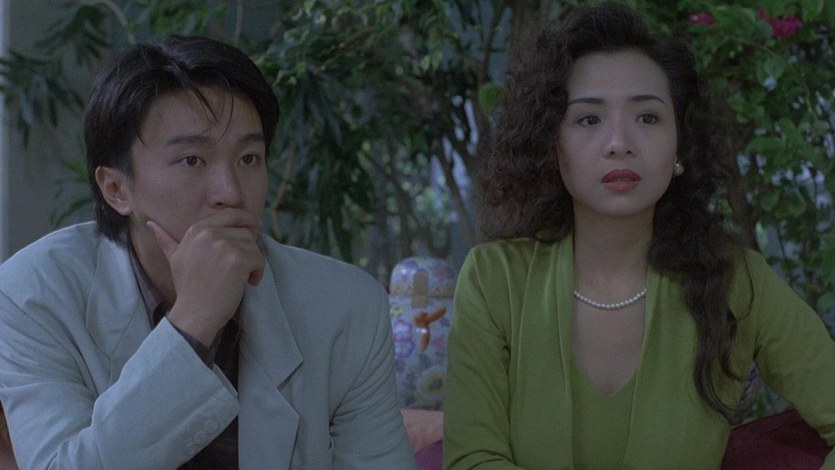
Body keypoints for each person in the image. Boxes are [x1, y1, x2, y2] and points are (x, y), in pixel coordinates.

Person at [443, 3, 835, 469]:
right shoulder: (493, 282)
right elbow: (472, 459)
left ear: (680, 141)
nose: (619, 143)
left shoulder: (737, 281)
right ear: (552, 142)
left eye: (647, 117)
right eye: (589, 119)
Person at [0, 36, 416, 469]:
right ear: (117, 189)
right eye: (192, 161)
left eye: (249, 158)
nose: (230, 193)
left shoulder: (346, 308)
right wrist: (192, 324)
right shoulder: (32, 295)